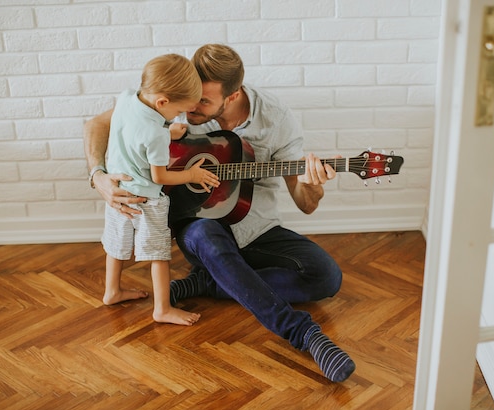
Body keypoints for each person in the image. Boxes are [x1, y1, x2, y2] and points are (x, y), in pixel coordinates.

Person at [84, 44, 356, 382]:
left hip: (256, 226)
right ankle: (302, 333)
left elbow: (305, 203)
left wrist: (314, 184)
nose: (191, 108)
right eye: (190, 98)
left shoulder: (276, 118)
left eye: (203, 102)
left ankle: (210, 282)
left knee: (326, 277)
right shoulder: (174, 95)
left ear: (232, 95)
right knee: (205, 238)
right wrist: (98, 177)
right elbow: (97, 124)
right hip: (199, 224)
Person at [98, 53, 220, 327]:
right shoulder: (154, 136)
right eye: (176, 111)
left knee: (117, 246)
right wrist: (192, 173)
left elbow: (136, 128)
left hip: (118, 191)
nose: (177, 116)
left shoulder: (127, 96)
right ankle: (162, 309)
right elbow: (160, 176)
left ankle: (112, 291)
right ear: (162, 102)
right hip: (145, 199)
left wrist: (167, 130)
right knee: (158, 254)